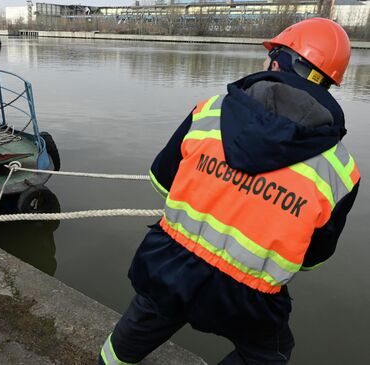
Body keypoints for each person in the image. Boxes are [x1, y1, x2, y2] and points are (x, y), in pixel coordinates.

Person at [99, 18, 360, 365]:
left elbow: (161, 181)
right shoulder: (341, 171)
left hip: (172, 265)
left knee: (144, 320)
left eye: (271, 54)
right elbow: (312, 259)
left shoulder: (208, 111)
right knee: (270, 354)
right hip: (248, 299)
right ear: (327, 82)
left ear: (280, 60)